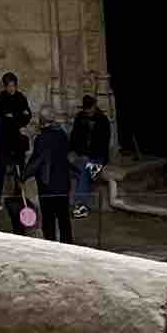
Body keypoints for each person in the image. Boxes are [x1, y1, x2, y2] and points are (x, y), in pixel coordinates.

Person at [71, 87, 111, 237]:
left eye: (90, 110)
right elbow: (75, 138)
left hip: (97, 157)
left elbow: (103, 144)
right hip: (82, 156)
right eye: (86, 110)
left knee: (84, 171)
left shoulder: (102, 121)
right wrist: (75, 152)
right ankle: (81, 205)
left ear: (94, 107)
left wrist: (89, 156)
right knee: (84, 167)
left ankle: (81, 205)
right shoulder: (80, 118)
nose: (88, 112)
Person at [32, 106, 74, 243]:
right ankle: (68, 246)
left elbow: (37, 161)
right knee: (64, 220)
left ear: (41, 121)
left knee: (49, 220)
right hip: (62, 185)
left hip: (47, 186)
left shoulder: (41, 139)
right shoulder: (62, 135)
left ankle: (51, 248)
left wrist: (23, 176)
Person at [0, 70, 30, 209]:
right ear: (5, 86)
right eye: (8, 86)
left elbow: (28, 115)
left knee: (19, 169)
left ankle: (18, 197)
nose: (10, 88)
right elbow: (4, 117)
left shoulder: (21, 97)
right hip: (5, 139)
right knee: (0, 170)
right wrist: (18, 119)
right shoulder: (1, 98)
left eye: (13, 85)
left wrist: (14, 117)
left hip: (19, 140)